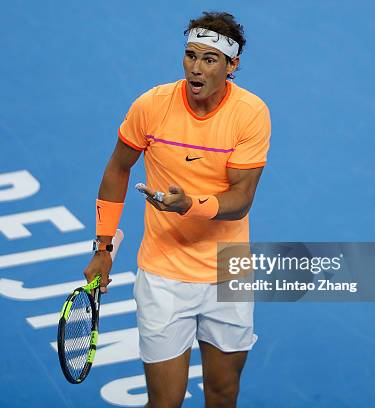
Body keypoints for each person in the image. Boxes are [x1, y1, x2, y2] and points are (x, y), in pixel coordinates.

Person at [84, 11, 271, 408]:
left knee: (223, 394)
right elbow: (118, 169)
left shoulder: (251, 114)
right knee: (164, 403)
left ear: (232, 65)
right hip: (164, 276)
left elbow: (241, 200)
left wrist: (189, 205)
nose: (196, 69)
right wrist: (102, 248)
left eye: (210, 60)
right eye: (190, 55)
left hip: (227, 270)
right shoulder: (151, 106)